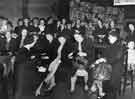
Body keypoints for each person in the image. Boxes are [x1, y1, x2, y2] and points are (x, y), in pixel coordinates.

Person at [102, 29, 124, 99]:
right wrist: (102, 58)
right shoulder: (110, 45)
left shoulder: (119, 46)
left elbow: (115, 58)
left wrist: (105, 59)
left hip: (115, 70)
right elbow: (105, 54)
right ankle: (104, 95)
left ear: (115, 37)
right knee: (103, 79)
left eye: (110, 36)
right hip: (109, 67)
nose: (108, 38)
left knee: (111, 86)